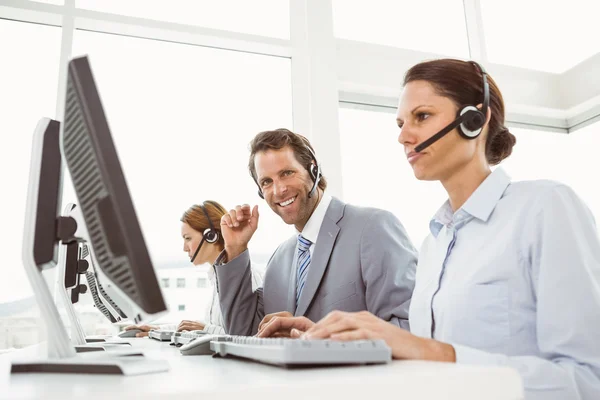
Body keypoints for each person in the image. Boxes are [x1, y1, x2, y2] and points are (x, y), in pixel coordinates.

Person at [260, 59, 600, 399]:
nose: (403, 136)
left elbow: (588, 379)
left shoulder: (544, 207)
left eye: (422, 116)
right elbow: (423, 365)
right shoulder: (435, 243)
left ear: (475, 120)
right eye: (400, 123)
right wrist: (334, 341)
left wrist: (431, 352)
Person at [215, 128, 418, 336]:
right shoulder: (279, 260)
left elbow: (409, 330)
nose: (278, 190)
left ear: (313, 171)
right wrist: (235, 249)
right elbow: (242, 335)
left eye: (287, 173)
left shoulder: (373, 228)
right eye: (267, 182)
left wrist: (322, 340)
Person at [124, 200, 262, 337]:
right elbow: (205, 327)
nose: (184, 248)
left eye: (188, 238)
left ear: (211, 236)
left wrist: (206, 329)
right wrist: (157, 330)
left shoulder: (248, 276)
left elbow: (247, 335)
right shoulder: (216, 277)